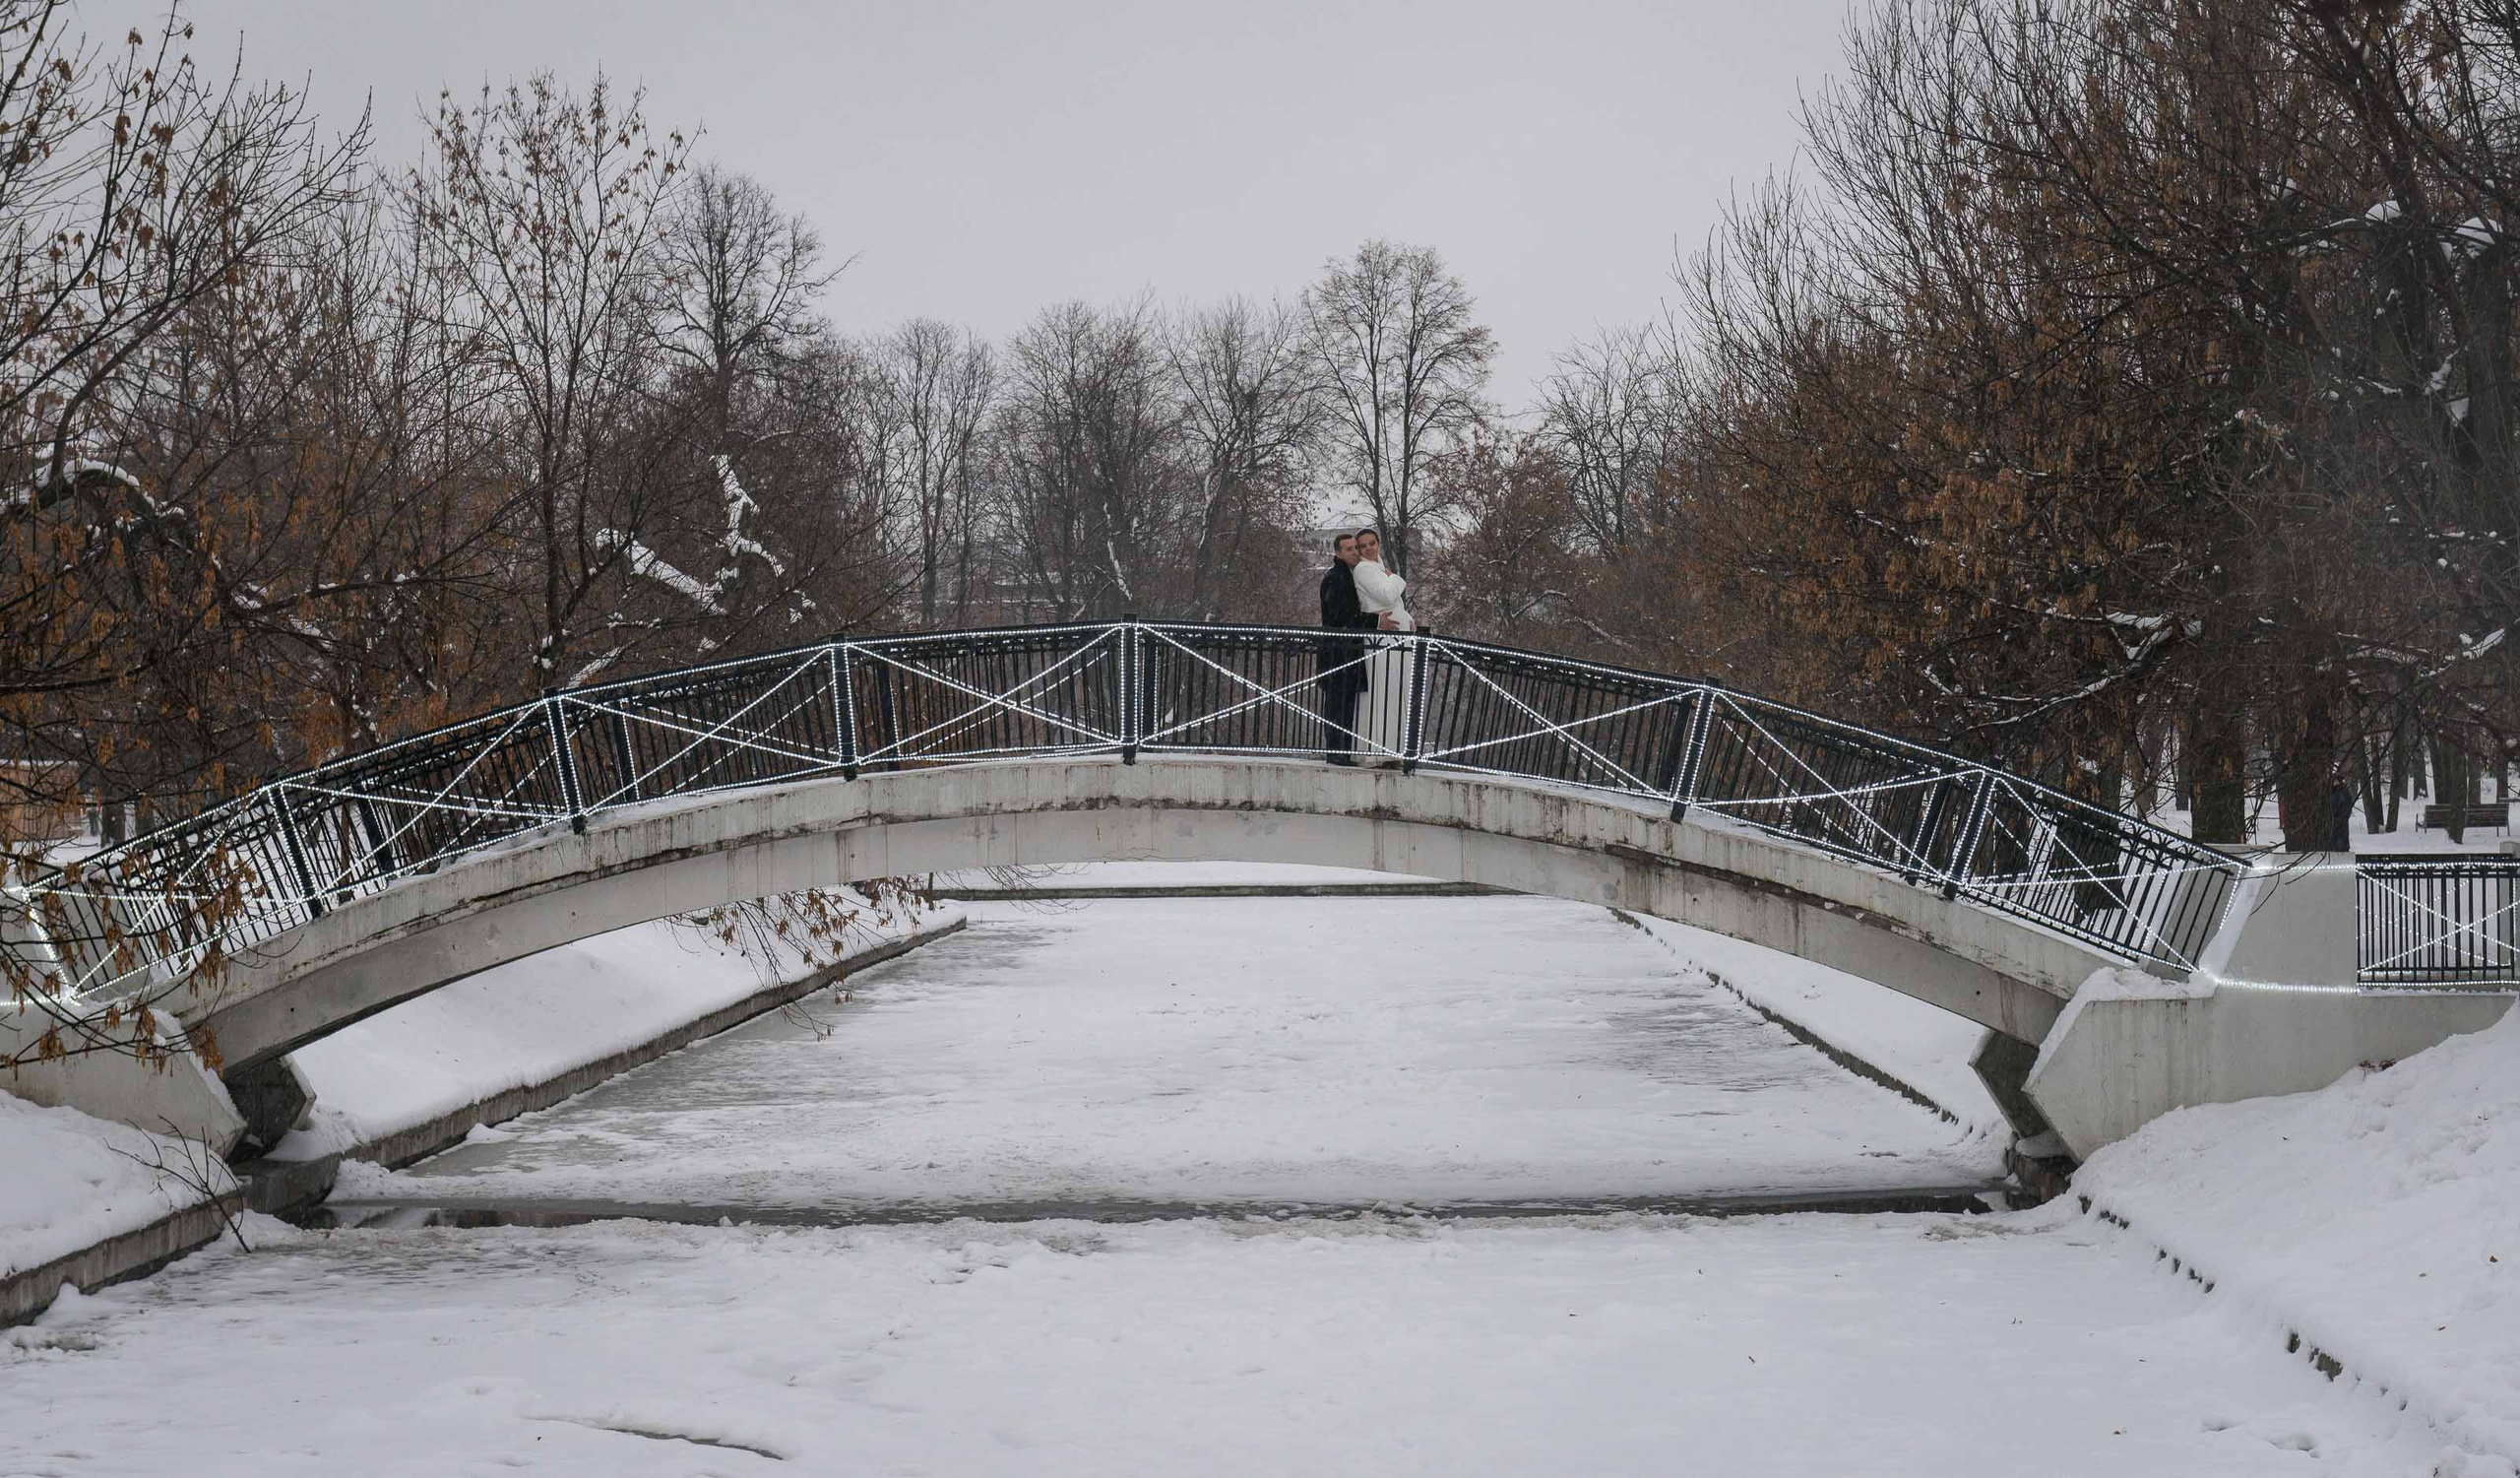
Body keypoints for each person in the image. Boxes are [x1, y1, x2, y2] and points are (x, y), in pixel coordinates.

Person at [1351, 529, 1416, 764]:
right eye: (1363, 546)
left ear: (1378, 544)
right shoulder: (1365, 569)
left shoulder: (1377, 567)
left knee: (1394, 693)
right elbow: (1388, 595)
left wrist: (1407, 617)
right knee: (1384, 693)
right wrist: (1395, 577)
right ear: (1359, 549)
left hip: (1393, 639)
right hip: (1382, 640)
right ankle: (1379, 751)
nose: (1369, 548)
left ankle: (1392, 749)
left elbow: (1393, 602)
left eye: (1372, 543)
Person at [1315, 532, 1376, 765]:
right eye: (1349, 549)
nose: (1355, 552)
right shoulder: (1336, 578)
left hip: (1342, 654)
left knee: (1343, 705)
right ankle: (1337, 753)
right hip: (1338, 654)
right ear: (1338, 553)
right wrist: (1376, 621)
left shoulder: (1346, 576)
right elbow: (1342, 617)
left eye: (1356, 548)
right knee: (1337, 705)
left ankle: (1340, 752)